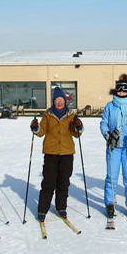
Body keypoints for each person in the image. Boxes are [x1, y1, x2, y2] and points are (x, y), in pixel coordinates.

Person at [30, 87, 83, 222]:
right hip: (51, 153)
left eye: (61, 100)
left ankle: (61, 207)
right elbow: (41, 132)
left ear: (65, 101)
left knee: (63, 182)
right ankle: (42, 209)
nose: (59, 103)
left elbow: (76, 134)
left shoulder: (71, 115)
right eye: (57, 100)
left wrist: (79, 126)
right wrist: (35, 128)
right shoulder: (47, 115)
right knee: (48, 182)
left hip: (67, 153)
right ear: (54, 101)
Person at [99, 74, 127, 225]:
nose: (121, 93)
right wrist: (107, 134)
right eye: (119, 91)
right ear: (116, 91)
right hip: (114, 146)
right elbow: (104, 123)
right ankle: (110, 203)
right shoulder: (110, 106)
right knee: (112, 176)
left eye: (124, 91)